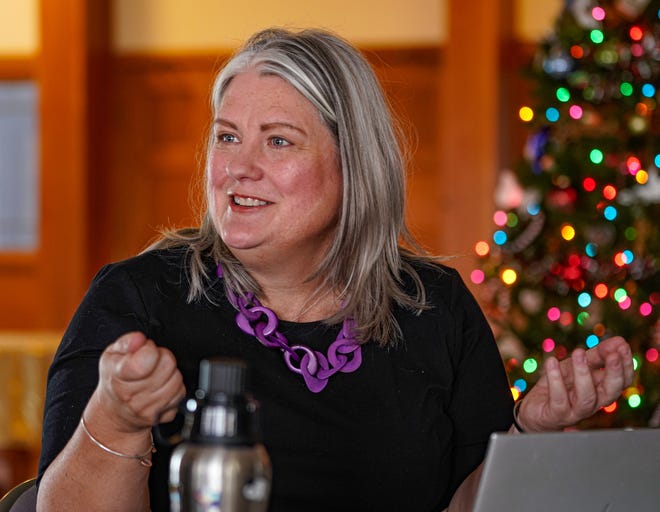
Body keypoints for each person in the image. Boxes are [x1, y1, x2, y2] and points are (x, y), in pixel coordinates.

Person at [36, 28, 634, 512]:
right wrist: (116, 420)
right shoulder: (137, 297)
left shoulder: (436, 306)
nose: (238, 167)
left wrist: (529, 437)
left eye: (277, 142)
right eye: (226, 136)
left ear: (354, 166)